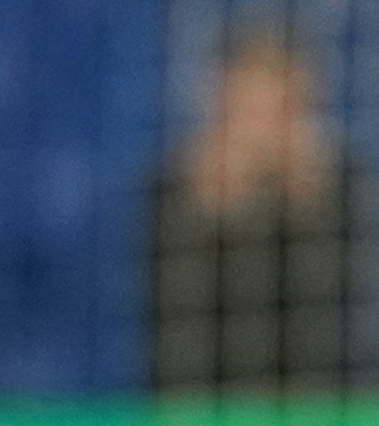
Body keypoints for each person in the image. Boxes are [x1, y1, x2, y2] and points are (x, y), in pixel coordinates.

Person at [142, 22, 372, 393]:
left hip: (319, 414)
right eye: (246, 108)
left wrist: (310, 206)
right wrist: (207, 212)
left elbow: (334, 325)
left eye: (276, 109)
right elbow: (173, 331)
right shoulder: (169, 188)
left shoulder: (345, 184)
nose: (259, 130)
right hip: (200, 415)